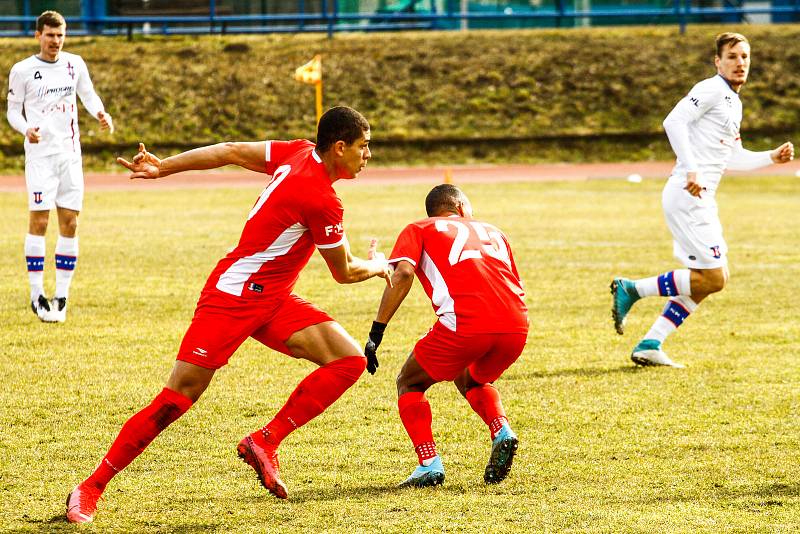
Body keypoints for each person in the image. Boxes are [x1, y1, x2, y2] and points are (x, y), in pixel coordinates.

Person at [65, 106, 392, 523]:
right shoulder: (323, 200)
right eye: (364, 146)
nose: (369, 155)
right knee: (176, 400)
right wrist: (380, 265)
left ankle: (265, 441)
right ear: (340, 147)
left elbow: (231, 150)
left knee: (347, 361)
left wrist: (165, 167)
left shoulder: (299, 152)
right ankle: (90, 487)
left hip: (273, 300)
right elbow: (345, 272)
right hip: (233, 297)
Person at [611, 32, 794, 368]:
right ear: (718, 62)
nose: (740, 63)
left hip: (700, 195)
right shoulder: (710, 89)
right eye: (733, 57)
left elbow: (731, 157)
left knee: (708, 278)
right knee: (714, 278)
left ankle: (652, 342)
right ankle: (632, 288)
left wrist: (771, 157)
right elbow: (673, 121)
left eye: (745, 57)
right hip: (688, 192)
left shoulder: (732, 101)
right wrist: (692, 168)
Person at [364, 184, 529, 488]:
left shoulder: (419, 227)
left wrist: (377, 330)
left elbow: (402, 274)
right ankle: (502, 431)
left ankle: (429, 463)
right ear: (462, 208)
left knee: (409, 381)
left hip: (467, 326)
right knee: (472, 378)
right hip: (516, 325)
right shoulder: (494, 230)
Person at [6, 10, 114, 323]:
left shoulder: (74, 63)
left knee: (70, 222)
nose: (56, 41)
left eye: (60, 35)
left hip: (70, 155)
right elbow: (12, 111)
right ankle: (36, 295)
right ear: (38, 35)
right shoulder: (23, 70)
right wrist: (26, 128)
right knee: (39, 222)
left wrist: (100, 113)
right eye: (50, 35)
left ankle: (61, 297)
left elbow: (88, 94)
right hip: (41, 156)